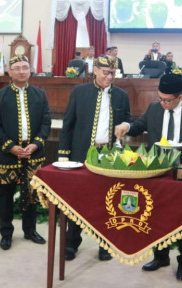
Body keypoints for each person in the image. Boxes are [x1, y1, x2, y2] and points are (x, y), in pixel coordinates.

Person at [114, 73, 182, 281]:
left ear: (180, 97)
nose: (162, 103)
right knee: (156, 216)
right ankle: (160, 257)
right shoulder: (154, 109)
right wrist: (126, 127)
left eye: (167, 100)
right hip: (158, 171)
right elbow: (137, 127)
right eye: (159, 98)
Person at [58, 54, 131, 262]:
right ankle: (71, 242)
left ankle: (105, 244)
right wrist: (64, 155)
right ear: (95, 70)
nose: (110, 77)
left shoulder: (121, 95)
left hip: (108, 157)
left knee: (107, 201)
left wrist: (126, 125)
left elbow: (127, 119)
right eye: (106, 73)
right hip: (81, 154)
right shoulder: (79, 92)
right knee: (76, 201)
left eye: (113, 73)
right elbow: (68, 124)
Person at [0, 55, 50, 250]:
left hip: (33, 154)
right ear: (10, 72)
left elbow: (46, 123)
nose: (22, 71)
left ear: (30, 70)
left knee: (32, 195)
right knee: (5, 196)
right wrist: (11, 147)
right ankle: (6, 233)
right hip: (8, 155)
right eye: (17, 68)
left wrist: (35, 144)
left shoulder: (40, 94)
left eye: (25, 67)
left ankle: (30, 230)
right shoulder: (0, 96)